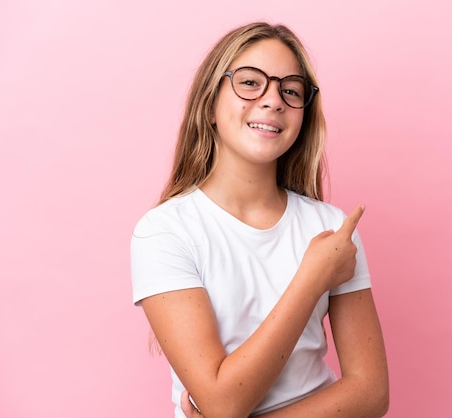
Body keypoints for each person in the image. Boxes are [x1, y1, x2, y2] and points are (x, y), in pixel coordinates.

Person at [130, 22, 389, 418]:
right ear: (209, 105)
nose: (273, 100)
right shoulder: (165, 232)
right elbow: (221, 403)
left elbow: (371, 393)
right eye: (250, 83)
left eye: (290, 90)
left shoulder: (333, 229)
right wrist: (312, 278)